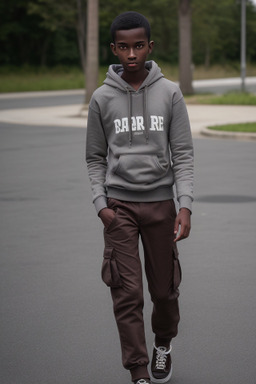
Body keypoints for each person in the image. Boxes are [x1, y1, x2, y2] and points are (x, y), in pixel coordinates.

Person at [86, 11, 194, 384]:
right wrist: (102, 206)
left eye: (138, 46)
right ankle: (139, 371)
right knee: (126, 293)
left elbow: (182, 153)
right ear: (114, 48)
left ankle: (163, 342)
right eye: (123, 46)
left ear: (150, 46)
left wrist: (185, 205)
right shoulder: (101, 98)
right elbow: (94, 157)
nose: (131, 54)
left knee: (164, 291)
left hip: (161, 205)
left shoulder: (170, 93)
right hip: (119, 207)